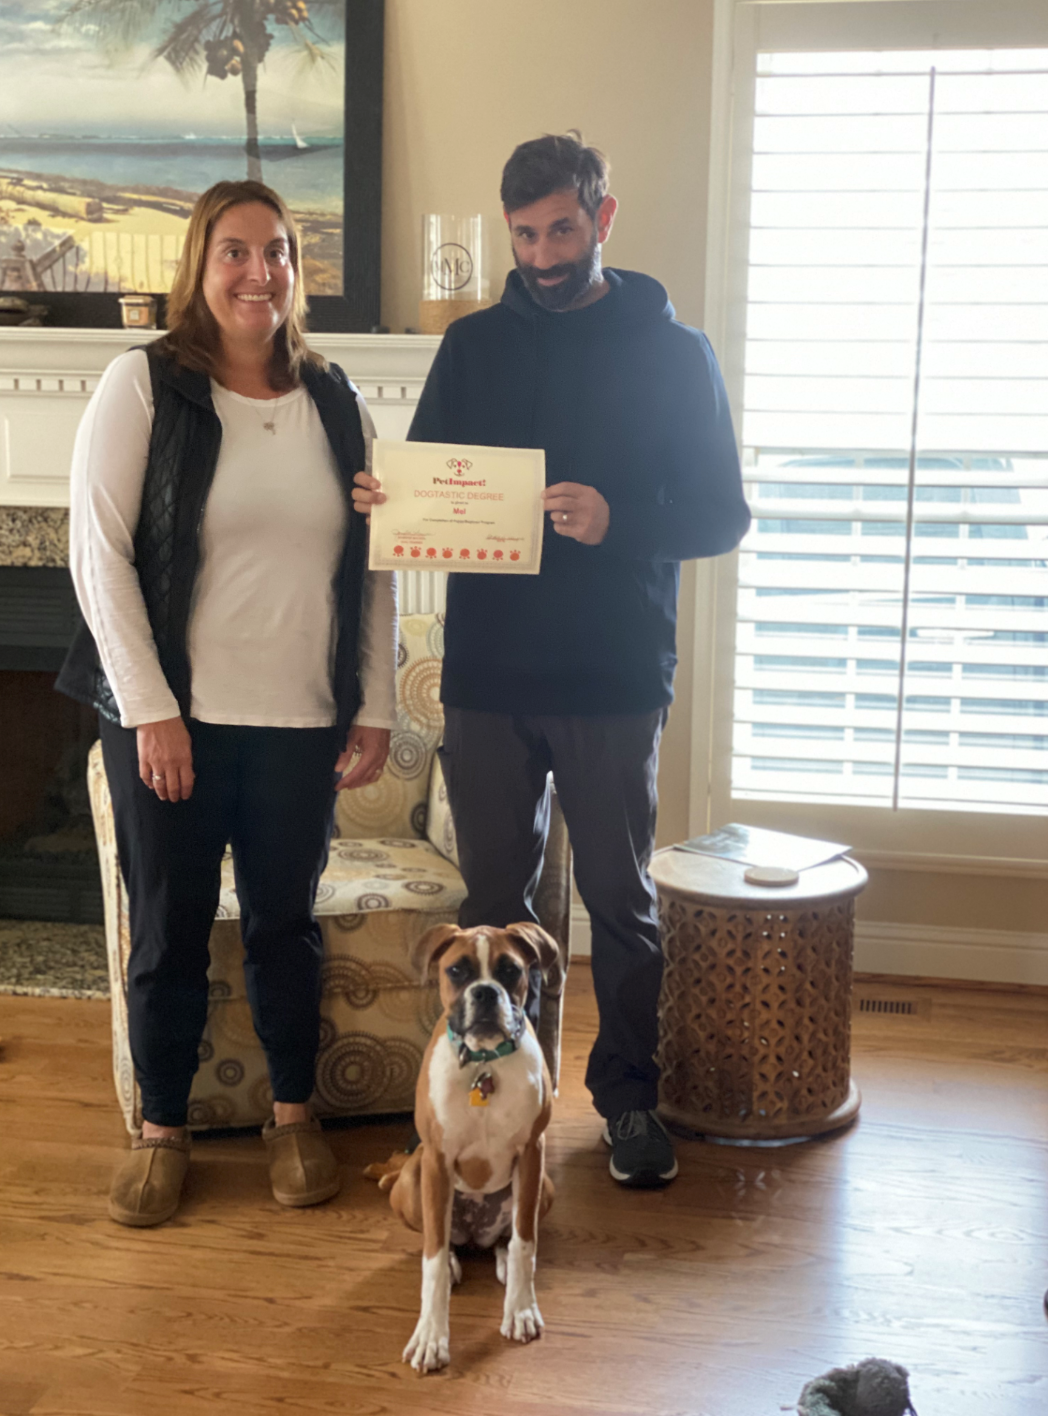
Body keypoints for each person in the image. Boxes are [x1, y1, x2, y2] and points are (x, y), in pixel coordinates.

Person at [353, 134, 750, 1188]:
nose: (541, 255)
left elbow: (722, 515)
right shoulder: (473, 346)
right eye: (524, 235)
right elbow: (426, 485)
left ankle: (627, 1102)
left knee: (620, 899)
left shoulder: (676, 354)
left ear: (602, 218)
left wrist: (618, 522)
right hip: (488, 676)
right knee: (493, 905)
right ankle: (488, 1103)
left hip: (614, 676)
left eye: (561, 230)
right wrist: (391, 501)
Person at [57, 179, 397, 1226]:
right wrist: (149, 708)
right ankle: (162, 1131)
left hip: (301, 720)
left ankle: (293, 1118)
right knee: (168, 927)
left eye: (279, 251)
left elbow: (376, 566)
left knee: (285, 926)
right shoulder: (145, 385)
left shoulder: (335, 399)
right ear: (200, 267)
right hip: (176, 721)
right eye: (236, 252)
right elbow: (98, 555)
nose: (261, 272)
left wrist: (375, 704)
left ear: (297, 267)